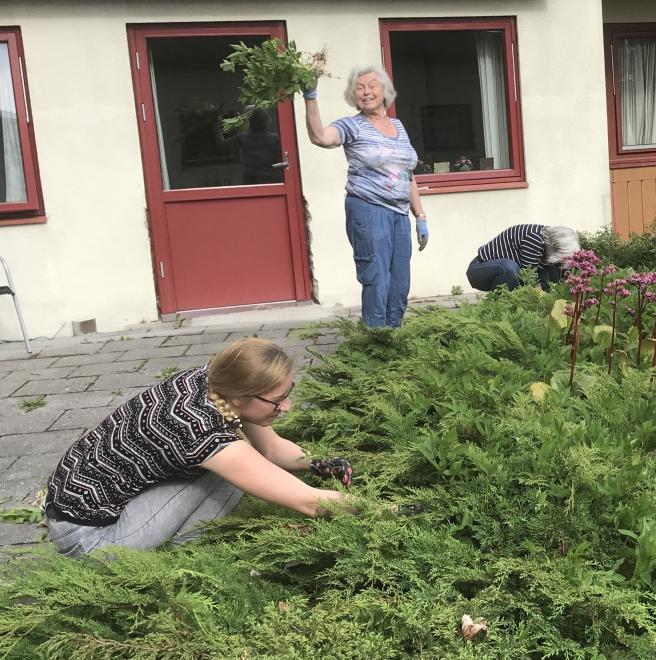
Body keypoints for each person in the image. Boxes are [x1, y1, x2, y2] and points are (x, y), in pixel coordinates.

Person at [43, 338, 354, 558]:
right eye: (277, 400)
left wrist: (318, 463)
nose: (287, 407)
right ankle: (182, 560)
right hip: (89, 540)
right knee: (233, 474)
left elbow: (271, 448)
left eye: (289, 392)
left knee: (242, 463)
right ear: (239, 398)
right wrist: (387, 511)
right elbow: (310, 504)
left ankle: (181, 551)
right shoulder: (198, 430)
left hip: (73, 508)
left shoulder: (211, 378)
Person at [303, 64, 429, 328]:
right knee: (376, 278)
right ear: (353, 95)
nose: (366, 92)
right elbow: (321, 137)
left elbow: (406, 174)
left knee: (399, 281)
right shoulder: (352, 126)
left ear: (385, 91)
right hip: (368, 211)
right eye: (359, 88)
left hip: (399, 215)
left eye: (372, 85)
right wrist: (310, 97)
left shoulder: (398, 126)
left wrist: (420, 215)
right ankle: (375, 339)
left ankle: (394, 335)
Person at [466, 224, 580, 292]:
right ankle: (501, 307)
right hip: (479, 271)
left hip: (508, 274)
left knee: (553, 273)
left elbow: (565, 276)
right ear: (555, 247)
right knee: (510, 268)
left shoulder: (550, 243)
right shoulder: (534, 239)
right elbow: (530, 278)